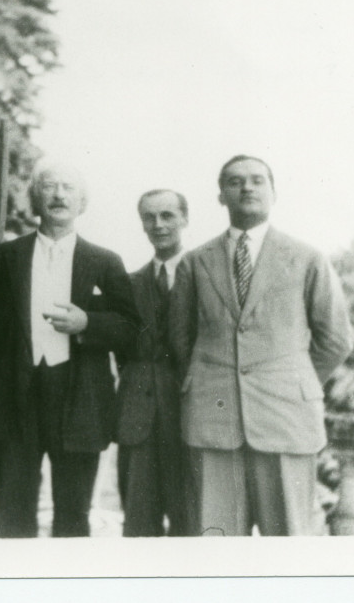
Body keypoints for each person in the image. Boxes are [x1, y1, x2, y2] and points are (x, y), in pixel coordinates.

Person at [169, 155, 352, 536]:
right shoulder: (194, 263)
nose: (247, 187)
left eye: (256, 180)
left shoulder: (307, 259)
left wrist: (292, 379)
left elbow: (335, 340)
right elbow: (180, 340)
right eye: (235, 182)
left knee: (288, 546)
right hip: (213, 419)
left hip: (286, 419)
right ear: (221, 196)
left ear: (273, 192)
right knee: (215, 544)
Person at [0, 164, 139, 538]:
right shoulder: (6, 256)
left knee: (74, 513)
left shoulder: (104, 261)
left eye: (68, 188)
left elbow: (131, 329)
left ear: (82, 202)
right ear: (35, 199)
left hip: (80, 399)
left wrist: (88, 324)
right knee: (12, 509)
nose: (59, 194)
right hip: (16, 393)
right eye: (49, 186)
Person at [116, 189, 191, 537]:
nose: (158, 224)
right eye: (150, 217)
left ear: (184, 220)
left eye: (167, 215)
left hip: (190, 418)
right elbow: (122, 351)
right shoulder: (128, 285)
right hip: (138, 419)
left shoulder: (205, 277)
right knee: (138, 525)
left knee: (189, 522)